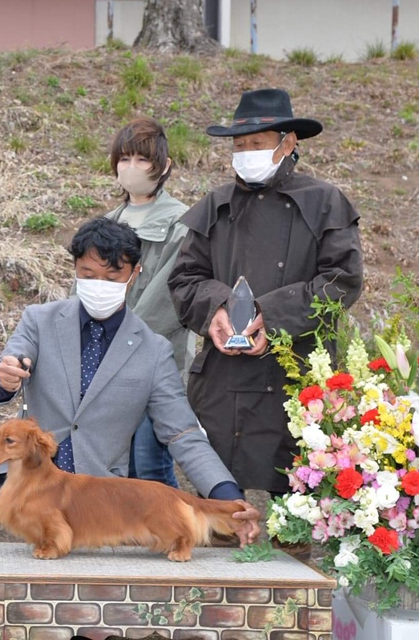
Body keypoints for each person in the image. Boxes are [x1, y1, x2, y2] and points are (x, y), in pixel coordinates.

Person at [0, 217, 261, 545]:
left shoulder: (154, 351)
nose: (98, 285)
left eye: (112, 277)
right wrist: (4, 379)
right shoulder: (39, 319)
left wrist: (229, 498)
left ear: (135, 274)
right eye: (87, 274)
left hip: (92, 492)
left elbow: (182, 433)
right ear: (74, 269)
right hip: (20, 471)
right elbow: (4, 366)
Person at [168, 88, 363, 497]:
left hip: (298, 375)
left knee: (299, 506)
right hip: (225, 379)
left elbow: (342, 279)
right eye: (239, 146)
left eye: (256, 143)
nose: (245, 153)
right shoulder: (216, 204)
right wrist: (217, 310)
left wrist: (269, 316)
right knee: (220, 506)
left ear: (287, 143)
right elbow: (185, 278)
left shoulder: (324, 202)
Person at [105, 117, 195, 488]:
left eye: (142, 159)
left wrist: (115, 339)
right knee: (116, 466)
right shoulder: (108, 223)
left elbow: (166, 299)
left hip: (156, 363)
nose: (131, 167)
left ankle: (172, 523)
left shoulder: (181, 224)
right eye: (124, 159)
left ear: (164, 166)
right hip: (107, 365)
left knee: (150, 464)